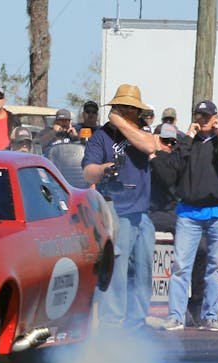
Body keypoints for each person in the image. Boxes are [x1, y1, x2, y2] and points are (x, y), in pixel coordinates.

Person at [151, 100, 218, 332]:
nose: (202, 120)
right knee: (181, 266)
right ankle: (176, 316)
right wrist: (188, 138)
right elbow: (172, 170)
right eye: (198, 116)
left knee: (215, 267)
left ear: (216, 118)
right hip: (189, 212)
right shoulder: (186, 143)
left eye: (207, 117)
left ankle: (210, 316)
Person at [81, 83, 157, 330]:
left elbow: (150, 146)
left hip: (142, 212)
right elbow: (88, 172)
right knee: (118, 271)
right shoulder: (100, 137)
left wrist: (121, 123)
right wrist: (104, 169)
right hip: (116, 210)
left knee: (144, 271)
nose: (128, 111)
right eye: (122, 107)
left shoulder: (142, 132)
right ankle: (112, 324)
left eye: (131, 108)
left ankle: (137, 323)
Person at [149, 123, 206, 326]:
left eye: (173, 142)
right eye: (165, 141)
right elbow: (166, 178)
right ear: (155, 139)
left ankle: (196, 305)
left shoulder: (176, 159)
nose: (169, 146)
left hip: (175, 213)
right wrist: (154, 155)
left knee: (203, 248)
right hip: (151, 213)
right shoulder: (149, 156)